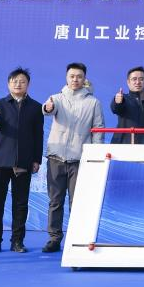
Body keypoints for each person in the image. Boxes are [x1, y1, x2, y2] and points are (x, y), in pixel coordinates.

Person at [41, 62, 104, 253]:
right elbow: (48, 109)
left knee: (77, 203)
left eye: (79, 76)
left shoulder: (93, 102)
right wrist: (48, 107)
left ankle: (77, 238)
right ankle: (54, 238)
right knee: (55, 201)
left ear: (84, 79)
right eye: (72, 76)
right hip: (56, 157)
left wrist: (95, 155)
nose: (75, 79)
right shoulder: (57, 98)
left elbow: (98, 130)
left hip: (79, 159)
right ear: (66, 78)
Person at [0, 67, 43, 253]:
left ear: (28, 85)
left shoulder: (35, 107)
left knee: (20, 204)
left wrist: (36, 159)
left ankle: (17, 242)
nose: (18, 84)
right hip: (0, 161)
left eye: (22, 81)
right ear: (8, 84)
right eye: (14, 81)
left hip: (23, 162)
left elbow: (38, 135)